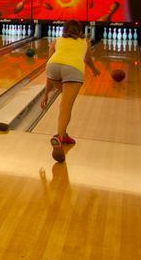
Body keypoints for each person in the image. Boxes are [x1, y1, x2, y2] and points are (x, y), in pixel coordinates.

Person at [41, 19, 101, 163]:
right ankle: (60, 136)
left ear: (64, 29)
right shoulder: (85, 42)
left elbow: (51, 66)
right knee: (66, 106)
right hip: (73, 69)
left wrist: (45, 94)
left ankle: (64, 133)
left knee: (64, 103)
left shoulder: (56, 41)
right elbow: (88, 60)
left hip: (52, 67)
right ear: (80, 30)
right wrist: (94, 70)